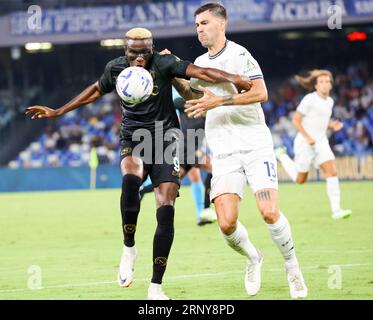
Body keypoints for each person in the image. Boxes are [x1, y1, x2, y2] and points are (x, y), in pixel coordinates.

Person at [25, 27, 252, 300]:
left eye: (144, 52)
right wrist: (59, 110)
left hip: (166, 139)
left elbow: (201, 73)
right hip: (134, 136)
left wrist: (235, 77)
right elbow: (95, 91)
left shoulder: (164, 63)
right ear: (125, 51)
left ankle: (155, 286)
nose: (140, 58)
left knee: (166, 211)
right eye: (134, 52)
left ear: (152, 48)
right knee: (130, 180)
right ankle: (129, 247)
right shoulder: (116, 68)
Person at [172, 3, 307, 298]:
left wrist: (219, 102)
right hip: (223, 150)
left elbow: (260, 92)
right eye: (197, 25)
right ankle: (254, 258)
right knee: (226, 223)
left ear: (222, 24)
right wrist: (173, 75)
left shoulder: (240, 55)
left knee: (269, 212)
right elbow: (195, 96)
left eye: (205, 23)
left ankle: (292, 267)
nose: (199, 29)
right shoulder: (197, 62)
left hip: (255, 144)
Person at [275, 70, 352, 220]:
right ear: (316, 86)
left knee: (332, 172)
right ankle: (282, 156)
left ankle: (336, 210)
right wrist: (308, 137)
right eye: (321, 82)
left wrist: (332, 125)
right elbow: (296, 120)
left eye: (327, 81)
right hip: (305, 143)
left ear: (330, 85)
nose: (324, 84)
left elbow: (321, 121)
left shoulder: (330, 101)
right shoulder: (309, 99)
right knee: (300, 180)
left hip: (321, 143)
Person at [139, 97, 216, 226]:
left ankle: (142, 191)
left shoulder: (207, 114)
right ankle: (206, 210)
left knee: (173, 179)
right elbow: (170, 102)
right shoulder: (185, 104)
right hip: (186, 147)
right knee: (213, 169)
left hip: (192, 148)